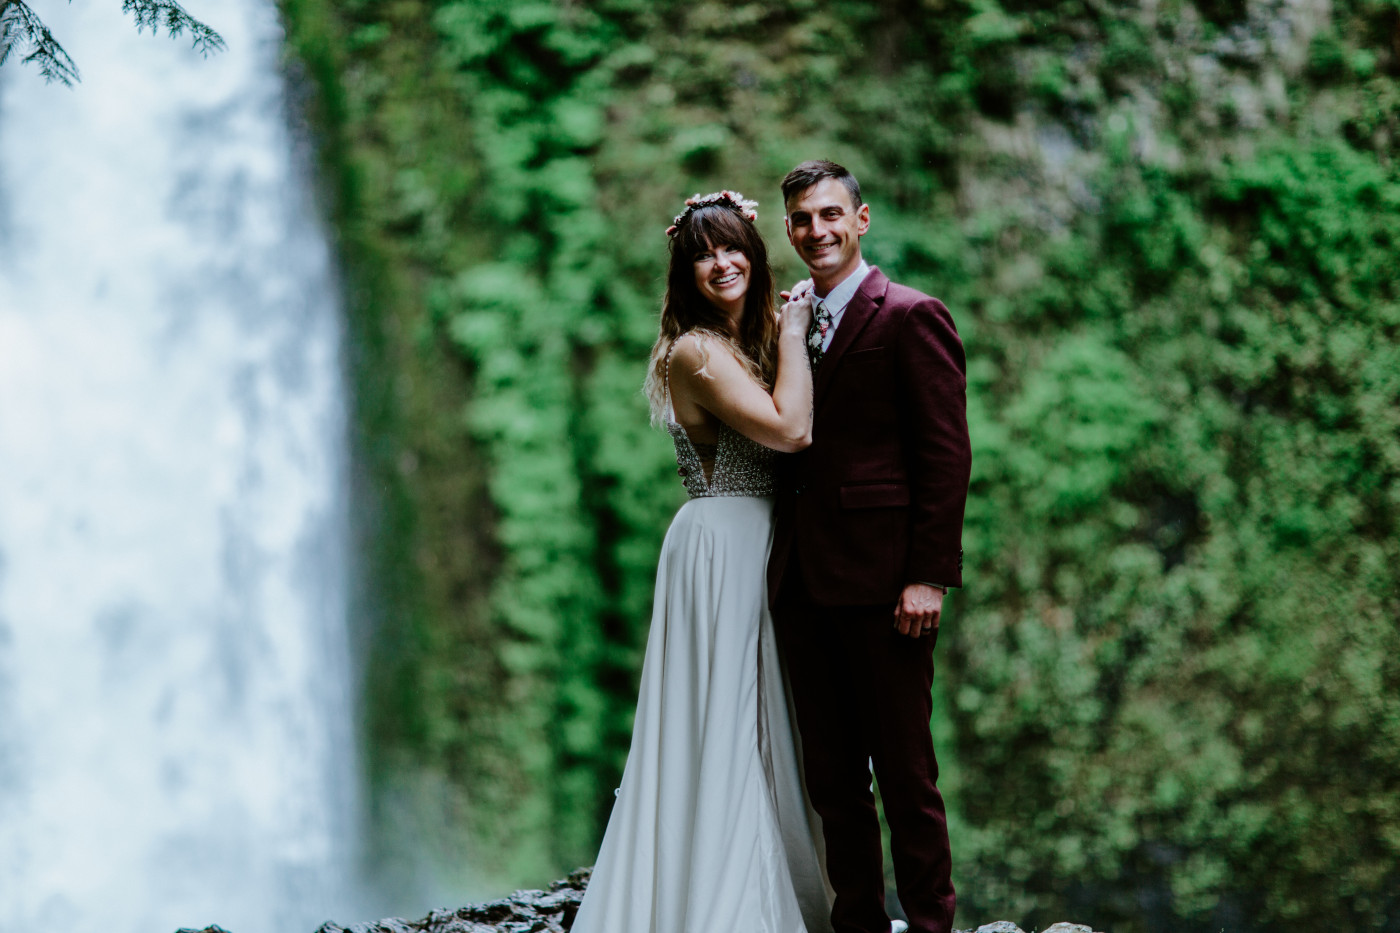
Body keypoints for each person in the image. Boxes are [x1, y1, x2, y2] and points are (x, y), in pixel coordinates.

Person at [571, 190, 834, 933]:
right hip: (724, 542)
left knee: (764, 720)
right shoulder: (697, 350)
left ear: (753, 253)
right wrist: (793, 327)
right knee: (727, 720)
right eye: (702, 256)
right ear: (684, 276)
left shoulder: (740, 343)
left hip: (764, 539)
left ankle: (780, 886)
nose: (720, 263)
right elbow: (789, 430)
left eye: (730, 247)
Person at [768, 161, 972, 933]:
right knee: (833, 780)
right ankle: (856, 923)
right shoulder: (789, 319)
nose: (815, 230)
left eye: (829, 214)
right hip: (802, 585)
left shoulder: (911, 315)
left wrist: (928, 576)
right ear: (787, 230)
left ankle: (928, 925)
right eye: (800, 219)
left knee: (906, 773)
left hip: (888, 587)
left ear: (861, 219)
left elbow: (946, 456)